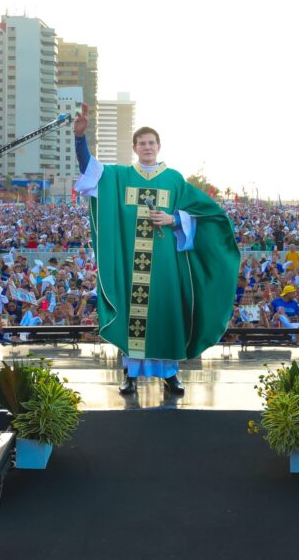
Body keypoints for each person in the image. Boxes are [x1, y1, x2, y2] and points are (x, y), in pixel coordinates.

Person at [72, 103, 239, 394]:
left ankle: (170, 374)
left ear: (159, 146)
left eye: (152, 143)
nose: (147, 147)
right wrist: (79, 138)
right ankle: (131, 374)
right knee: (132, 315)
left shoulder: (173, 179)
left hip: (165, 264)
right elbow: (89, 170)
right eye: (142, 143)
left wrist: (174, 219)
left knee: (166, 312)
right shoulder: (120, 176)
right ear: (134, 147)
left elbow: (210, 215)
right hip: (131, 262)